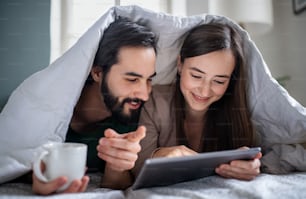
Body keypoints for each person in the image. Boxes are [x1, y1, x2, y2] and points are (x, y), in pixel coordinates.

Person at [32, 17, 157, 194]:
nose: (144, 94)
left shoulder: (131, 115)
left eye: (149, 79)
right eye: (132, 79)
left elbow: (116, 186)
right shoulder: (48, 108)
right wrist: (34, 178)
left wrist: (116, 165)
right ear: (98, 73)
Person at [132, 23, 262, 181]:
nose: (205, 91)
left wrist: (250, 165)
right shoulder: (156, 101)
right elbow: (137, 171)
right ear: (180, 64)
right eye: (196, 76)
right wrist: (161, 155)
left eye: (219, 81)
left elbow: (253, 156)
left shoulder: (236, 109)